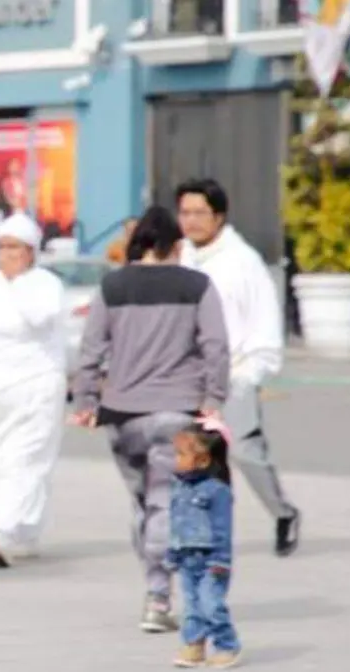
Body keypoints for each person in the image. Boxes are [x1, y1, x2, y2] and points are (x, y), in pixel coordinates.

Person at [71, 205, 231, 634]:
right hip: (179, 411)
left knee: (145, 502)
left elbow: (91, 351)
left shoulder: (112, 286)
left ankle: (156, 587)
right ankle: (158, 596)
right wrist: (214, 398)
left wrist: (85, 401)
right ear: (175, 245)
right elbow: (216, 347)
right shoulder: (197, 285)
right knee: (164, 502)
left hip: (123, 416)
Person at [176, 178, 301, 556]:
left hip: (236, 373)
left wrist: (253, 373)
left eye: (200, 213)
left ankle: (283, 512)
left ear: (219, 217)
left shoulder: (243, 262)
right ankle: (208, 533)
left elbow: (265, 320)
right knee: (195, 456)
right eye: (185, 213)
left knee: (246, 453)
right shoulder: (180, 256)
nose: (191, 221)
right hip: (190, 377)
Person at [0, 213, 66, 566]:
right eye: (1, 247)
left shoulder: (45, 284)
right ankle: (25, 530)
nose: (6, 254)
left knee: (23, 459)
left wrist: (17, 282)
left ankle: (2, 530)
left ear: (31, 251)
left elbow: (39, 318)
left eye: (14, 247)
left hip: (35, 386)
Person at [168, 418, 241, 669]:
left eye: (181, 454)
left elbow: (222, 530)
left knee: (211, 604)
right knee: (191, 606)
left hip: (211, 561)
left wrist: (221, 561)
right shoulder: (179, 487)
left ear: (203, 460)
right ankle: (194, 645)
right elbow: (176, 523)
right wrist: (172, 553)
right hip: (187, 558)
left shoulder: (217, 491)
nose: (175, 459)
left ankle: (227, 645)